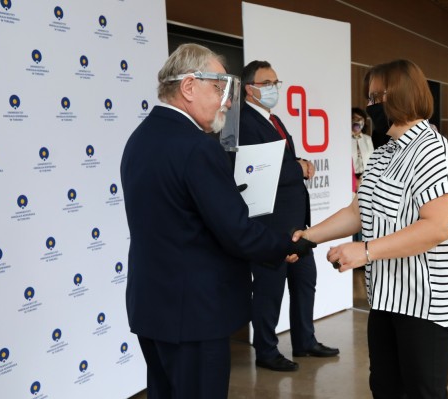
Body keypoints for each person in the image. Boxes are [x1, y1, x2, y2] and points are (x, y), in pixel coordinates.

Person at [120, 44, 314, 398]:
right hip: (195, 315)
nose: (227, 102)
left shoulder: (140, 138)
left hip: (152, 308)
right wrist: (290, 244)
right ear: (189, 87)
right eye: (219, 89)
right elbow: (237, 232)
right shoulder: (197, 146)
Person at [294, 59, 448, 398]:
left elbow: (437, 227)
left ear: (401, 94)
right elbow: (358, 211)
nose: (371, 106)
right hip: (386, 297)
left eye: (377, 97)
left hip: (424, 301)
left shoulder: (432, 149)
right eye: (369, 97)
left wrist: (366, 251)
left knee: (423, 391)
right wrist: (308, 237)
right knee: (385, 386)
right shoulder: (384, 152)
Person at [237, 60, 339, 372]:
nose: (273, 89)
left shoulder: (274, 119)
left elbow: (281, 159)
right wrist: (299, 167)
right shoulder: (240, 121)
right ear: (249, 88)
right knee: (269, 290)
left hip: (296, 224)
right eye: (266, 83)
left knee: (305, 280)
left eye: (276, 82)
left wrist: (298, 162)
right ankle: (266, 351)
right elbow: (253, 169)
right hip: (270, 225)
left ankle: (305, 341)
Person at [352, 107, 375, 189]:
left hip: (365, 179)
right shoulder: (345, 140)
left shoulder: (368, 139)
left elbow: (372, 161)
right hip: (350, 179)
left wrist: (362, 179)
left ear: (364, 121)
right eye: (354, 118)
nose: (357, 121)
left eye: (360, 119)